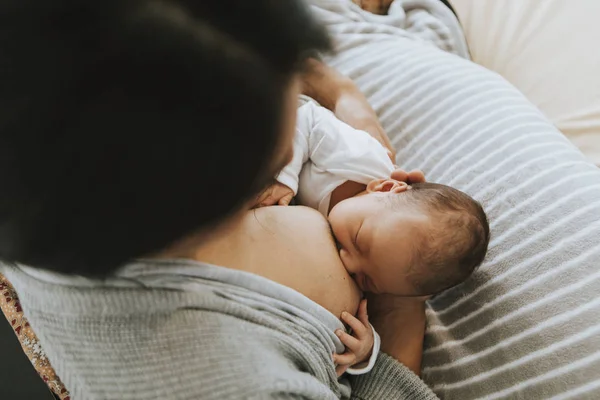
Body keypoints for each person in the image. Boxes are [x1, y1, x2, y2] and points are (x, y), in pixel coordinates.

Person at [0, 0, 440, 399]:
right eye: (285, 145)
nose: (303, 120)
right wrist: (404, 287)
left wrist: (345, 96)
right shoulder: (238, 382)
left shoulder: (45, 112)